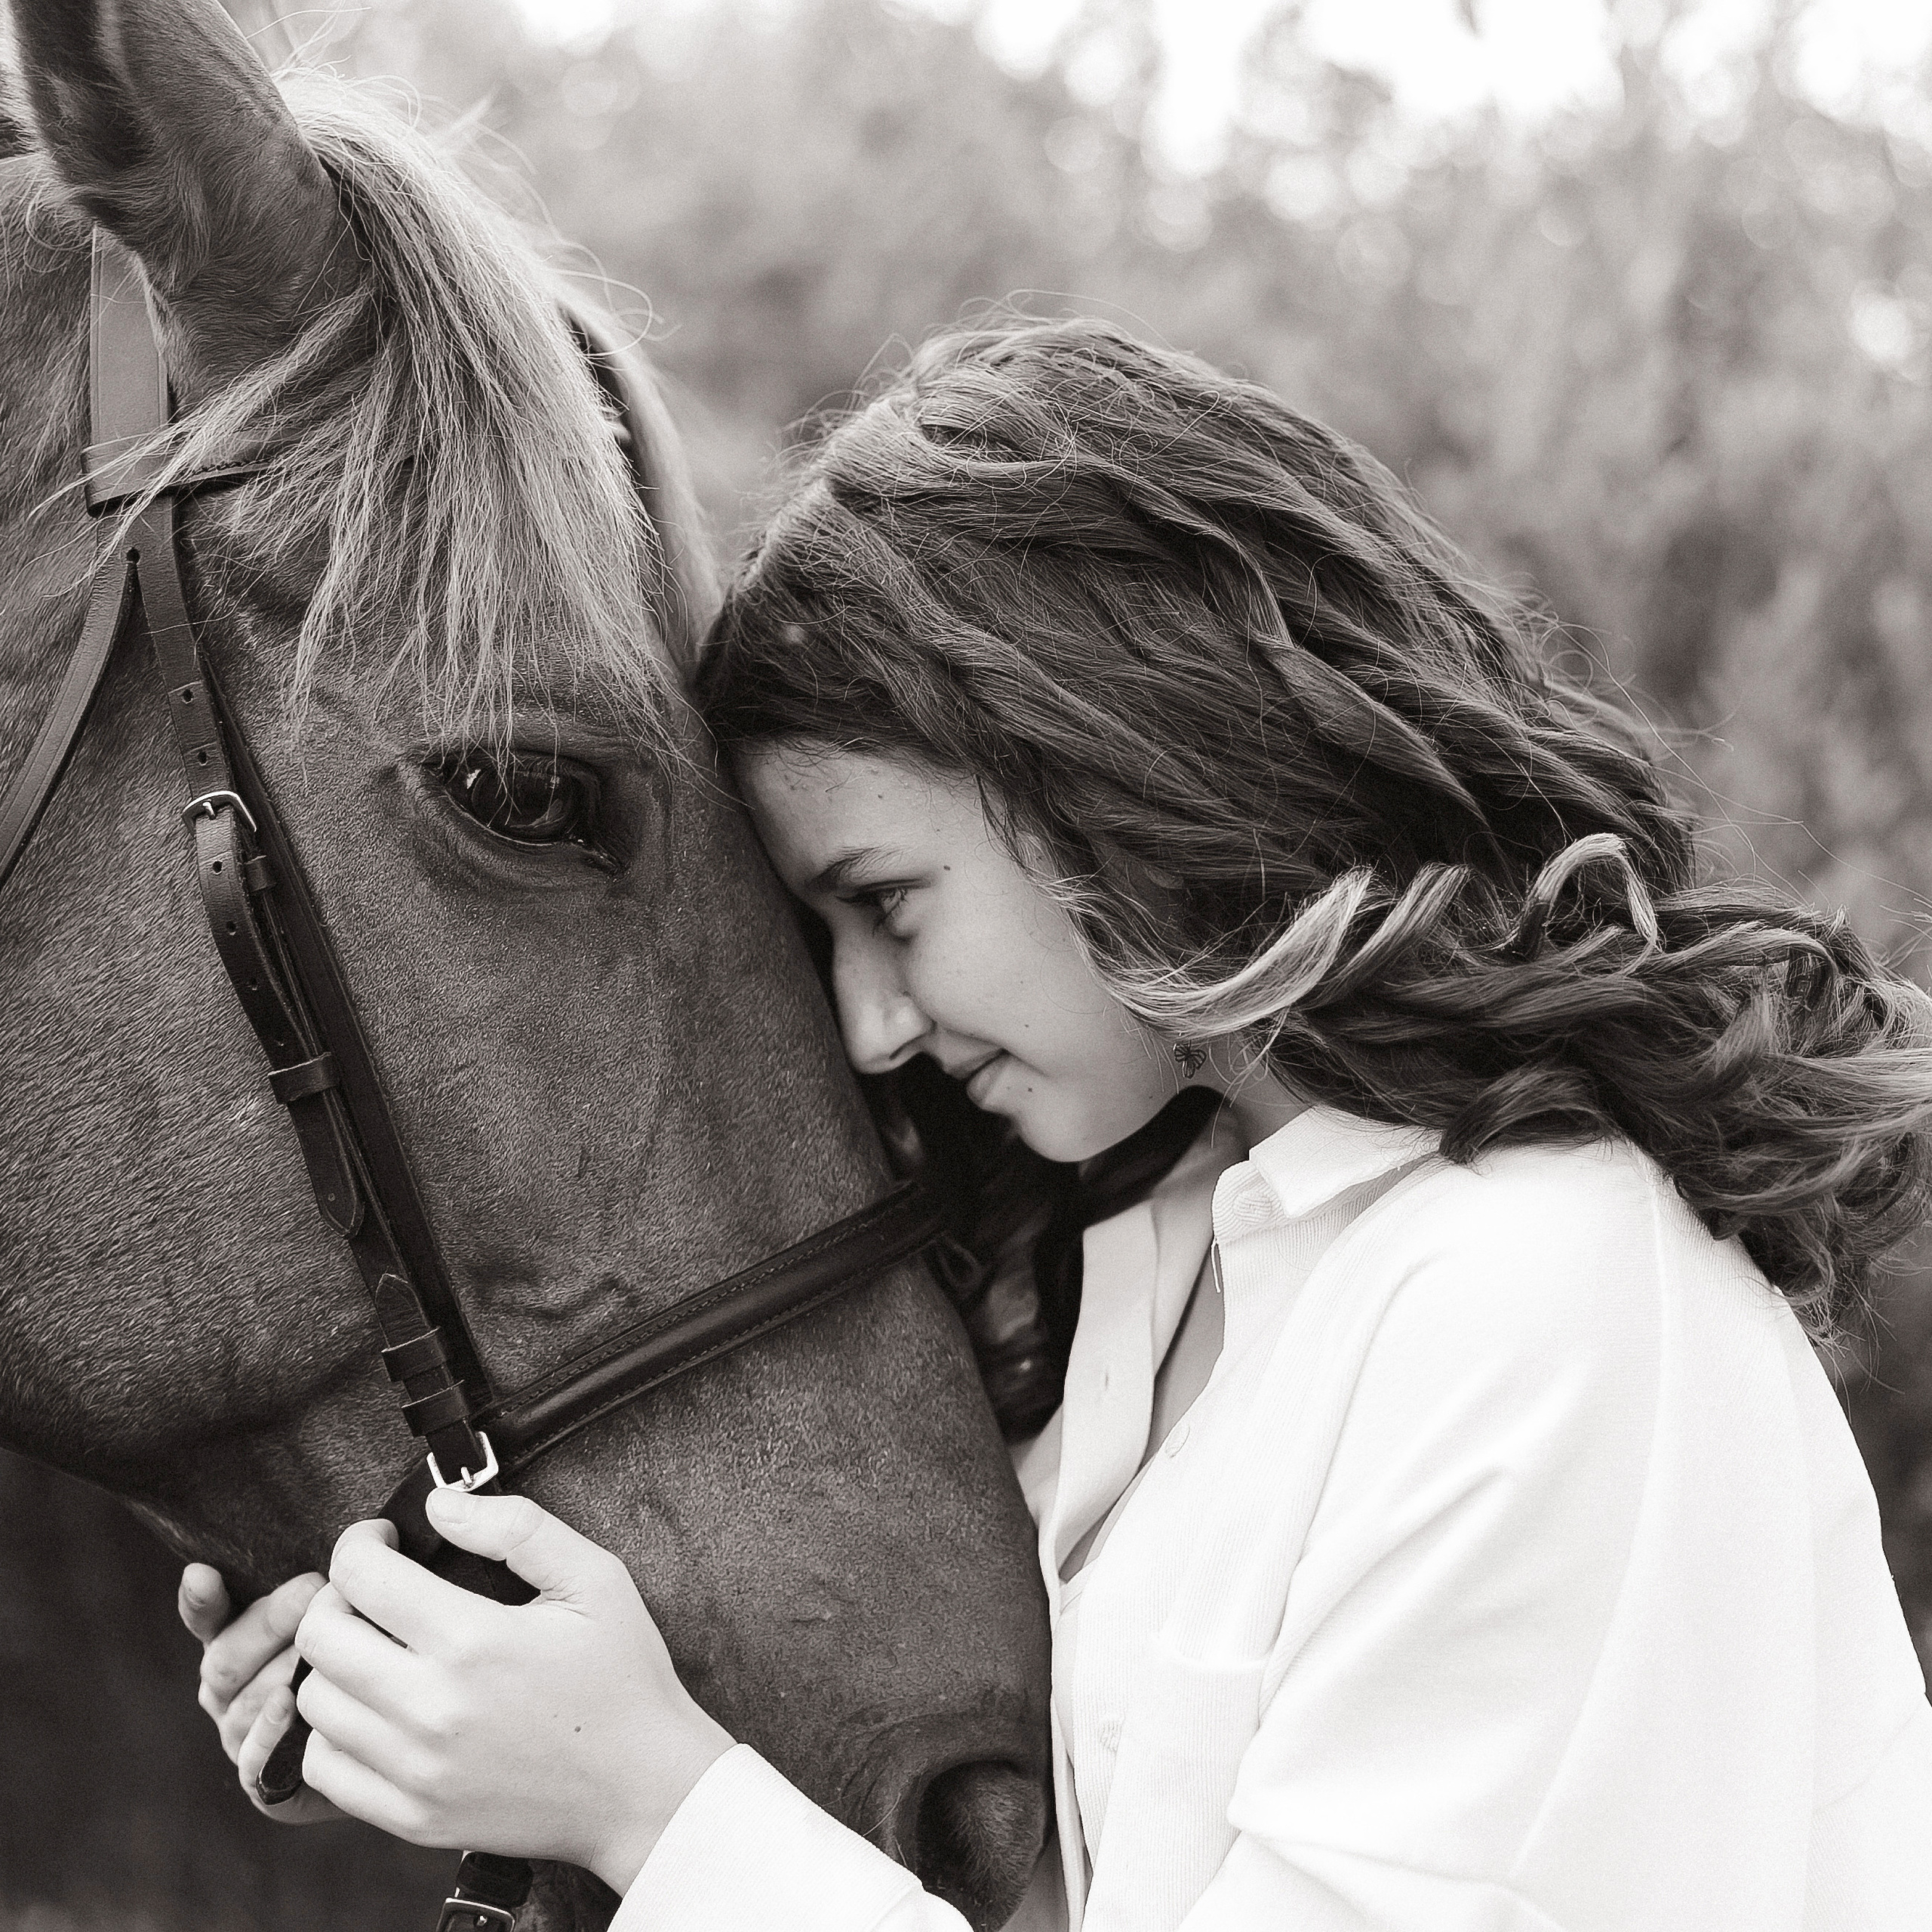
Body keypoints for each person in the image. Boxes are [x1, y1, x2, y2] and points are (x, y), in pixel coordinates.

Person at [183, 318, 1932, 1930]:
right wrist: (477, 1714)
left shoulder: (1538, 1294)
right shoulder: (1152, 1265)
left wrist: (660, 1806)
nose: (869, 1020)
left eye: (886, 898)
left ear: (1104, 776)